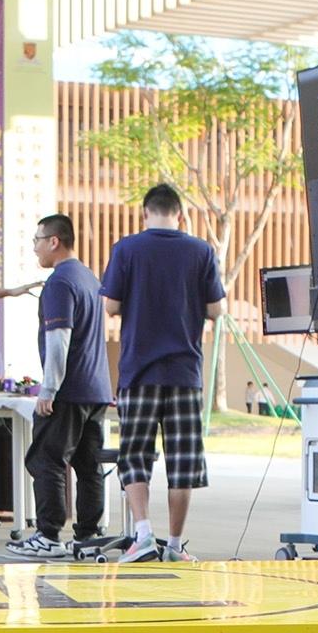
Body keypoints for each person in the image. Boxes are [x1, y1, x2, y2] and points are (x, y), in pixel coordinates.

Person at [100, 182, 223, 561]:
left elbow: (110, 305)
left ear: (145, 213)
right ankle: (173, 545)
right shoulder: (201, 251)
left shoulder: (127, 249)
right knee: (182, 462)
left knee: (135, 455)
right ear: (180, 215)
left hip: (138, 370)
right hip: (185, 373)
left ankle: (143, 536)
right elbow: (217, 311)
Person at [12, 214, 110, 557]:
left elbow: (59, 340)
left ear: (54, 241)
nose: (35, 247)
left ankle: (48, 535)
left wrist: (48, 389)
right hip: (96, 388)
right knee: (88, 466)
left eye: (37, 240)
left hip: (68, 390)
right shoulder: (88, 277)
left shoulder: (59, 283)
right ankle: (87, 534)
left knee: (46, 459)